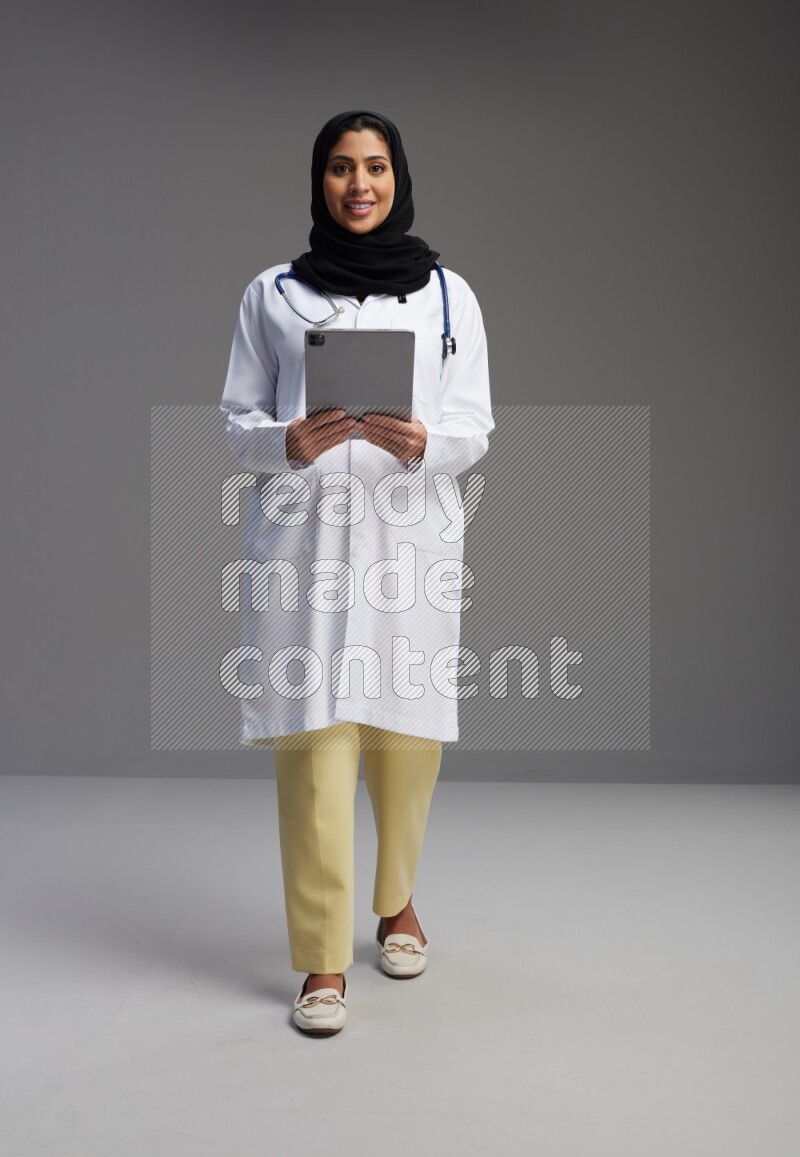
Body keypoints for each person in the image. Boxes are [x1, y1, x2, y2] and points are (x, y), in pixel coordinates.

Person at [219, 109, 494, 1034]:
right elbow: (236, 421)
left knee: (407, 744)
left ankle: (396, 899)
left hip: (406, 542)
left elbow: (476, 424)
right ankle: (322, 957)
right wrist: (283, 441)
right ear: (320, 182)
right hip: (306, 545)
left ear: (398, 177)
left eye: (375, 166)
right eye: (341, 167)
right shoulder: (273, 294)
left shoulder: (448, 296)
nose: (360, 184)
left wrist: (427, 443)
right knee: (315, 748)